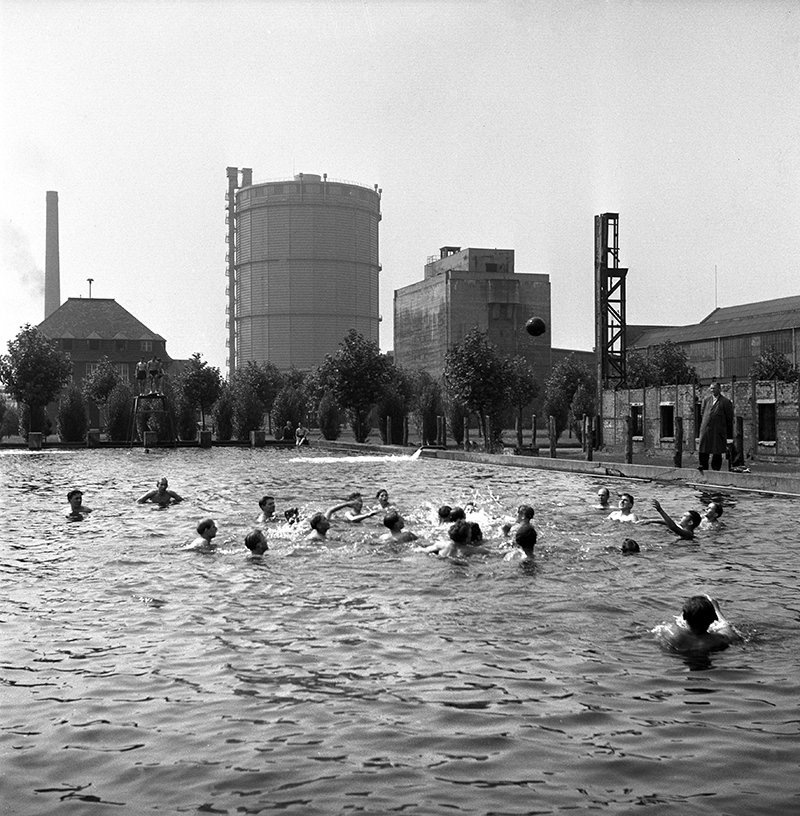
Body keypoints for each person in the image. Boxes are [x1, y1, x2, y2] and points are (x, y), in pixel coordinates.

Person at [654, 594, 739, 652]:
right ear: (713, 619)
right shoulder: (718, 640)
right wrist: (716, 609)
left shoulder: (669, 632)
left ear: (684, 617)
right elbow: (727, 627)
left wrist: (685, 612)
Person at [698, 382, 734, 472]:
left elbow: (729, 416)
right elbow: (702, 413)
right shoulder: (706, 400)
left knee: (716, 449)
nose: (712, 390)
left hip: (718, 429)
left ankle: (716, 468)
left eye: (714, 388)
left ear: (719, 389)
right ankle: (703, 465)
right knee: (703, 447)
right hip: (706, 428)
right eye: (711, 388)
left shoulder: (725, 401)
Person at [417, 520, 491, 558]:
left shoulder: (441, 545)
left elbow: (422, 550)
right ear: (466, 537)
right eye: (470, 533)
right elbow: (494, 553)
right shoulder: (471, 550)